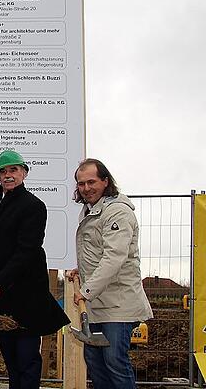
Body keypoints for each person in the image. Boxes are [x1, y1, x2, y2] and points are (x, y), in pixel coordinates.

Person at [0, 150, 70, 389]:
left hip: (29, 292)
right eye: (3, 171)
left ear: (24, 173)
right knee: (10, 356)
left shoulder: (33, 206)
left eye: (13, 170)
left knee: (27, 357)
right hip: (5, 291)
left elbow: (27, 250)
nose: (8, 175)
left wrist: (0, 281)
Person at [68, 159, 152, 389]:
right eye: (81, 183)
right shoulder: (91, 210)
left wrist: (86, 290)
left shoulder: (117, 212)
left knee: (114, 361)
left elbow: (114, 257)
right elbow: (97, 252)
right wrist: (82, 269)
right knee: (95, 362)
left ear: (105, 181)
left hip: (118, 305)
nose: (86, 188)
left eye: (91, 182)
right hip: (97, 303)